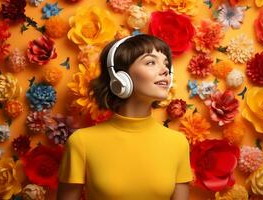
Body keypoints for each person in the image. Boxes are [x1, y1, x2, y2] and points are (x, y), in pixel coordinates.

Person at [57, 34, 193, 200]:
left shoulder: (178, 143)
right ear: (120, 77)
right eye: (151, 62)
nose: (165, 70)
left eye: (166, 64)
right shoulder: (81, 142)